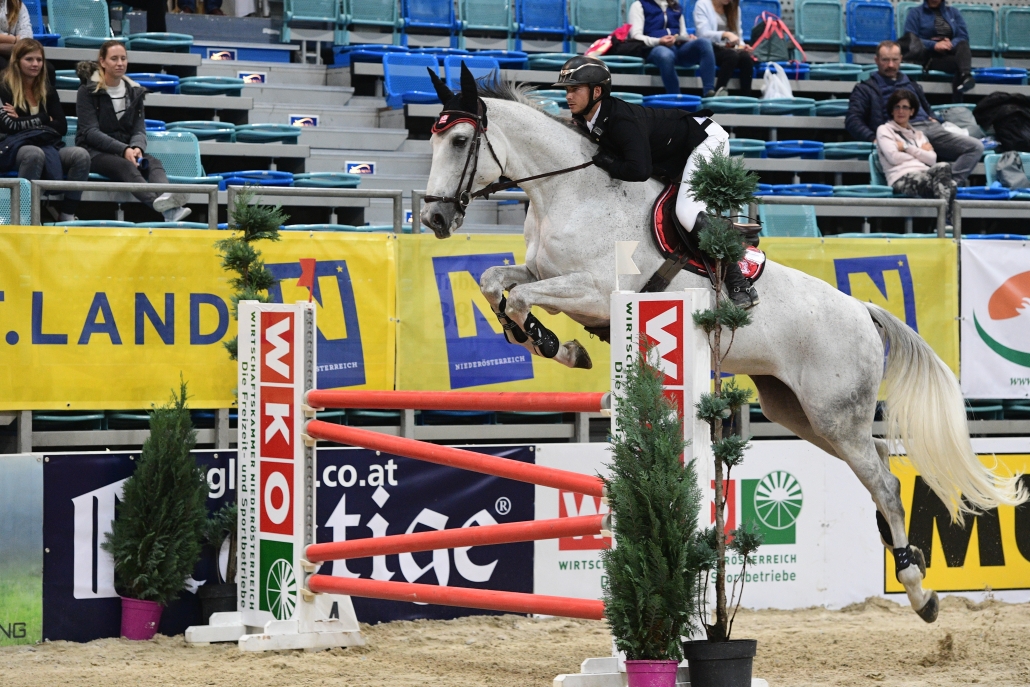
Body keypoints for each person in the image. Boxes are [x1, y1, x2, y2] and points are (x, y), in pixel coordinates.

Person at [554, 56, 758, 308]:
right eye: (567, 90)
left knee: (687, 211)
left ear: (597, 91)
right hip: (676, 154)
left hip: (705, 141)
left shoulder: (620, 120)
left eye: (574, 89)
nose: (568, 96)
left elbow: (639, 170)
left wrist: (607, 162)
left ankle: (738, 283)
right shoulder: (590, 120)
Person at [75, 41, 190, 222]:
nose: (120, 63)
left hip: (126, 149)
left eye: (123, 58)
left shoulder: (135, 92)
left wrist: (137, 147)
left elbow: (139, 129)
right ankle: (166, 210)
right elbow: (90, 132)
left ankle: (168, 198)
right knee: (126, 166)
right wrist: (123, 149)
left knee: (152, 162)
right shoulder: (87, 91)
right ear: (102, 62)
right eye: (114, 59)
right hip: (95, 152)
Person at [845, 40, 982, 186]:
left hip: (930, 129)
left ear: (901, 60)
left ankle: (949, 184)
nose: (890, 65)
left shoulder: (911, 83)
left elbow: (926, 107)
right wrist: (873, 138)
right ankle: (942, 187)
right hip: (901, 132)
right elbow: (853, 120)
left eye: (894, 60)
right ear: (876, 60)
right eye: (885, 60)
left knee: (975, 147)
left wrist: (934, 118)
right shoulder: (865, 89)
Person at [0, 39, 89, 221]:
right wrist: (42, 118)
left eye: (39, 60)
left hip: (49, 145)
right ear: (17, 61)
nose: (35, 64)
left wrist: (23, 120)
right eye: (29, 59)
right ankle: (23, 216)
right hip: (12, 147)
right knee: (33, 154)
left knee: (81, 155)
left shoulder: (47, 90)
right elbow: (8, 126)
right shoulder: (3, 86)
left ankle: (67, 214)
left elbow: (61, 127)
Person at [876, 89, 955, 216]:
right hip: (901, 178)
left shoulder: (919, 134)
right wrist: (920, 154)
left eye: (905, 107)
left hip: (924, 174)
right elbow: (893, 158)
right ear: (891, 110)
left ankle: (940, 222)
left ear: (912, 111)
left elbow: (932, 160)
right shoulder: (884, 130)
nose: (901, 111)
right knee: (948, 186)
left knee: (944, 168)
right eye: (897, 107)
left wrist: (906, 147)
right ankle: (944, 222)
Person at [626, 0, 717, 97]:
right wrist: (659, 41)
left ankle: (709, 92)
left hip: (678, 47)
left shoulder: (675, 7)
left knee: (704, 43)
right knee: (665, 55)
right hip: (654, 48)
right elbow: (636, 36)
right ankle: (675, 97)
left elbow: (682, 33)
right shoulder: (639, 5)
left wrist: (687, 38)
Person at [902, 0, 974, 95]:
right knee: (959, 64)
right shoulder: (915, 13)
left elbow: (963, 36)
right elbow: (910, 40)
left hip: (949, 51)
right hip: (929, 57)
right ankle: (959, 100)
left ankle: (966, 75)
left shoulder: (953, 12)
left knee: (963, 44)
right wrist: (934, 45)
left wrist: (949, 44)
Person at [694, 0, 757, 97]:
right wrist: (725, 34)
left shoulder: (734, 7)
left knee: (746, 58)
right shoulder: (702, 4)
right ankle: (718, 94)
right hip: (709, 49)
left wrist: (743, 46)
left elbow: (738, 35)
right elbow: (703, 34)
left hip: (728, 48)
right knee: (732, 56)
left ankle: (746, 98)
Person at [0, 0, 32, 71]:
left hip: (16, 51)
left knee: (48, 69)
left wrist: (3, 39)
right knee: (4, 67)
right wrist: (13, 39)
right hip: (14, 48)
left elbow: (27, 36)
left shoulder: (17, 4)